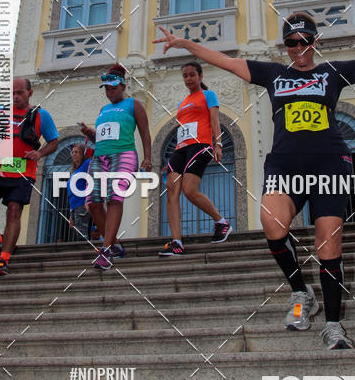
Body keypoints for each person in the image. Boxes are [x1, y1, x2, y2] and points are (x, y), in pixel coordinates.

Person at [155, 15, 355, 348]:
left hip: (330, 164)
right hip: (285, 165)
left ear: (316, 42)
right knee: (271, 223)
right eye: (291, 42)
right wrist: (184, 45)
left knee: (328, 245)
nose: (298, 48)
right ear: (285, 46)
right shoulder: (273, 74)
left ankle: (333, 325)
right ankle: (301, 291)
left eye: (304, 41)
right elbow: (225, 61)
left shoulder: (333, 72)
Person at [0, 77, 59, 276]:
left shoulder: (42, 115)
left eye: (20, 93)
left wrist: (39, 154)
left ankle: (4, 259)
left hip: (23, 171)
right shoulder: (2, 113)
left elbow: (54, 142)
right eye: (12, 93)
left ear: (30, 93)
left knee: (14, 211)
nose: (15, 97)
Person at [79, 64, 151, 271]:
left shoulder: (133, 104)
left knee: (114, 198)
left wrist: (147, 157)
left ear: (122, 85)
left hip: (124, 154)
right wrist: (89, 133)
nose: (109, 92)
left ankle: (106, 249)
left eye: (112, 88)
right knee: (92, 202)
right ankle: (115, 244)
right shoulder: (104, 110)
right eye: (106, 89)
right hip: (100, 156)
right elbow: (101, 137)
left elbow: (145, 132)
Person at [158, 61, 232, 257]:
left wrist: (218, 144)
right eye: (185, 76)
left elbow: (215, 121)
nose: (188, 78)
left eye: (192, 74)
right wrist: (172, 158)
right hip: (181, 148)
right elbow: (183, 129)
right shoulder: (182, 102)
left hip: (201, 145)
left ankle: (221, 222)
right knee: (172, 190)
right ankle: (176, 242)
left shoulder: (208, 95)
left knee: (189, 190)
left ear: (200, 76)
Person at [67, 144, 91, 241]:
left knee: (82, 233)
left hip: (82, 203)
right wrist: (71, 213)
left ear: (82, 154)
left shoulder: (87, 164)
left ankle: (85, 254)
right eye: (72, 152)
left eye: (76, 152)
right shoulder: (75, 171)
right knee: (78, 232)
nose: (73, 154)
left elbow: (91, 181)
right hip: (75, 206)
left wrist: (88, 199)